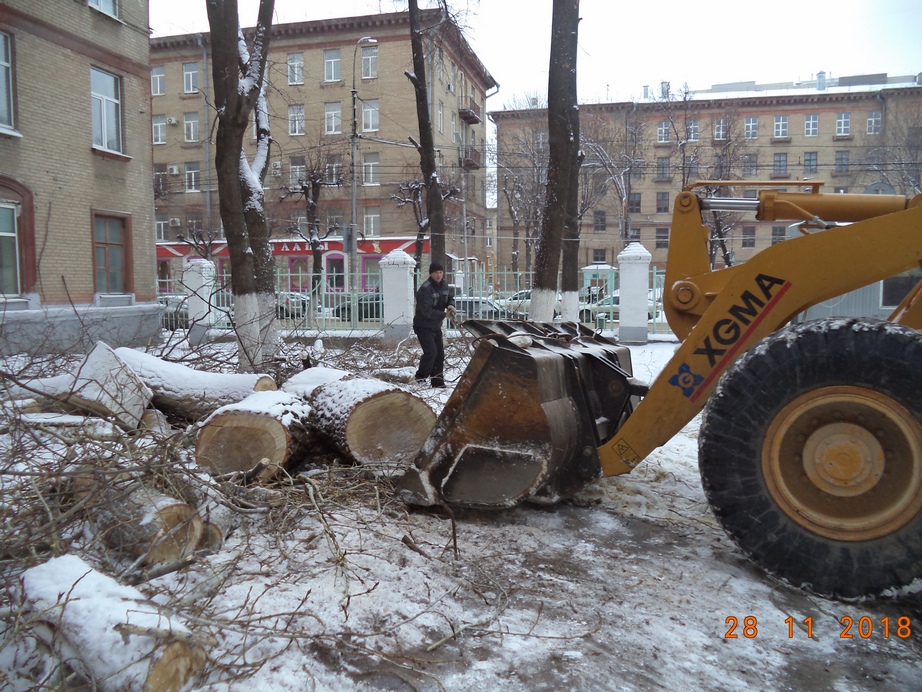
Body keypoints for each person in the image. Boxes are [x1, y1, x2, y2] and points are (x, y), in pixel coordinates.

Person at [413, 261, 455, 388]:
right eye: (436, 272)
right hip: (423, 326)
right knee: (431, 352)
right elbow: (427, 312)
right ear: (431, 274)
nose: (439, 275)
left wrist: (451, 305)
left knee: (440, 354)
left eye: (441, 272)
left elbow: (450, 298)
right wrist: (444, 315)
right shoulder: (425, 289)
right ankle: (420, 378)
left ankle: (437, 381)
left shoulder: (444, 286)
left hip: (436, 326)